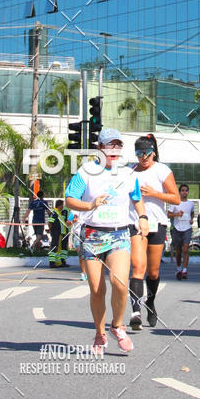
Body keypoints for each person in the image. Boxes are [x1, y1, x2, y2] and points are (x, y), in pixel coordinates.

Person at [65, 128, 149, 355]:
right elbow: (70, 200)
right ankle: (100, 334)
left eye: (118, 146)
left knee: (120, 283)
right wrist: (90, 205)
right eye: (109, 145)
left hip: (119, 233)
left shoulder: (128, 175)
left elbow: (137, 199)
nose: (114, 150)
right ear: (100, 148)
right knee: (96, 289)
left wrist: (142, 218)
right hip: (92, 235)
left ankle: (117, 325)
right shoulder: (86, 172)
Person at [128, 133, 179, 330]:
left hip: (158, 224)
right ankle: (136, 311)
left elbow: (176, 198)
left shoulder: (162, 170)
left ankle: (150, 302)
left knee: (154, 271)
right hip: (136, 224)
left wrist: (154, 193)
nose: (143, 157)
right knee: (138, 267)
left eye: (147, 153)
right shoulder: (130, 172)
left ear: (154, 153)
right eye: (139, 153)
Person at [168, 183, 195, 279]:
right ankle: (179, 268)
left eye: (186, 190)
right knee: (178, 251)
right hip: (176, 229)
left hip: (187, 229)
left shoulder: (191, 203)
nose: (184, 192)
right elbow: (169, 214)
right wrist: (177, 214)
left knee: (186, 249)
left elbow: (192, 213)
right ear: (179, 192)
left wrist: (191, 219)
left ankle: (185, 270)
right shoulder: (174, 203)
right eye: (182, 190)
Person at [22, 188, 49, 253]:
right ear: (43, 196)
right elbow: (48, 212)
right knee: (39, 237)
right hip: (40, 222)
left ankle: (38, 251)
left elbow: (28, 211)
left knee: (38, 237)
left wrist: (24, 218)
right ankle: (32, 246)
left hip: (34, 222)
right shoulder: (44, 203)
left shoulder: (33, 202)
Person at [48, 199, 70, 267]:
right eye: (62, 205)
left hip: (60, 233)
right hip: (56, 232)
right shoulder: (54, 212)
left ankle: (58, 262)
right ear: (60, 205)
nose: (63, 206)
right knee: (54, 246)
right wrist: (51, 230)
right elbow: (50, 222)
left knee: (58, 248)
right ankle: (52, 262)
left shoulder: (58, 212)